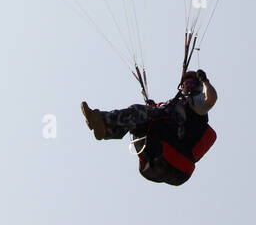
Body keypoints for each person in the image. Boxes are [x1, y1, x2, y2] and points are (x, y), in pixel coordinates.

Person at [81, 70, 218, 186]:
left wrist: (205, 81)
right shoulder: (176, 103)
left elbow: (211, 100)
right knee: (137, 122)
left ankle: (103, 121)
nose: (187, 85)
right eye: (185, 83)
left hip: (175, 141)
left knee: (137, 111)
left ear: (198, 86)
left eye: (192, 83)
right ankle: (103, 129)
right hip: (163, 143)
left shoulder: (195, 101)